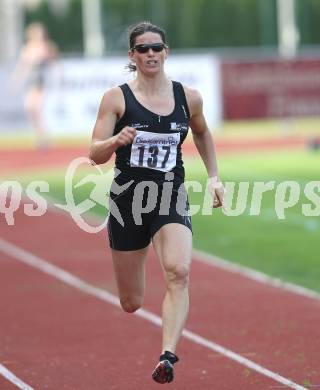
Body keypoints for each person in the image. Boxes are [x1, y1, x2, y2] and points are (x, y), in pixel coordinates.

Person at [89, 21, 225, 384]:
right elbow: (94, 153)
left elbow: (202, 132)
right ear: (132, 56)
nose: (151, 54)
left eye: (157, 48)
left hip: (169, 194)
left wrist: (214, 177)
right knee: (131, 302)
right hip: (128, 200)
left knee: (179, 271)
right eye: (143, 49)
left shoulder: (189, 97)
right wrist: (117, 140)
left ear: (166, 52)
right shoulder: (116, 98)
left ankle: (167, 356)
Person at [12, 22, 59, 147]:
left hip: (40, 82)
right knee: (30, 109)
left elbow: (54, 63)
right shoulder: (27, 48)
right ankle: (40, 136)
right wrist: (17, 81)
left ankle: (43, 138)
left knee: (37, 109)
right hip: (30, 82)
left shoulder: (46, 47)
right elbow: (22, 67)